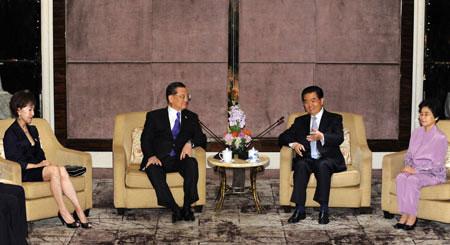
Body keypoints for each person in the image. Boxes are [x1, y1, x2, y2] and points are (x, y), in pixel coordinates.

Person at [3, 90, 91, 229]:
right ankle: (63, 211)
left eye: (34, 109)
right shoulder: (10, 134)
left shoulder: (33, 130)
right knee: (55, 171)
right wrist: (38, 164)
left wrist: (44, 162)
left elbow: (40, 153)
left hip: (38, 169)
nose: (33, 113)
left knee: (60, 169)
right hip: (25, 172)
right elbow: (15, 162)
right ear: (18, 110)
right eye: (30, 110)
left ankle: (79, 210)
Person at [278, 85, 346, 224]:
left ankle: (323, 209)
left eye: (313, 100)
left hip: (329, 159)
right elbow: (282, 137)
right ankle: (300, 209)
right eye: (306, 101)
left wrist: (322, 137)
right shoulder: (300, 121)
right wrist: (293, 144)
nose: (309, 105)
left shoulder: (334, 118)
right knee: (301, 164)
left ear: (322, 101)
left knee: (322, 164)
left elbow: (339, 138)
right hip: (308, 159)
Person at [140, 81, 206, 223]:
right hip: (159, 159)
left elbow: (202, 138)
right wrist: (151, 156)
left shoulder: (191, 117)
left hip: (179, 159)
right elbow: (145, 139)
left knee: (192, 163)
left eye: (187, 96)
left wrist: (190, 143)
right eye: (182, 96)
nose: (186, 100)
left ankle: (187, 206)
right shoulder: (154, 116)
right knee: (152, 169)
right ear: (171, 98)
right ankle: (175, 208)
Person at [393, 99, 448, 230]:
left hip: (433, 174)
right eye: (421, 114)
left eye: (426, 114)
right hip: (414, 170)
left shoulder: (440, 138)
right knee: (401, 177)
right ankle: (404, 214)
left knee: (412, 180)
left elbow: (437, 165)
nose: (422, 117)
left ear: (436, 117)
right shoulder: (416, 133)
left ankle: (412, 216)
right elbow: (409, 154)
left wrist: (415, 171)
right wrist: (407, 166)